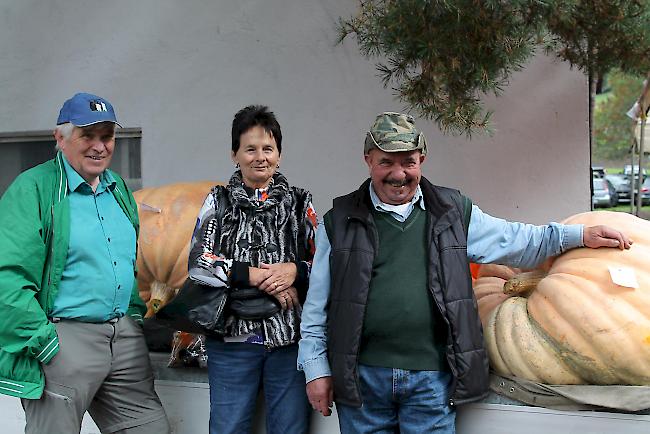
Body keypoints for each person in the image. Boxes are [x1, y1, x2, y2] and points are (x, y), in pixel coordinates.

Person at [297, 112, 632, 433]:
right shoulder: (338, 221)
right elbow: (317, 305)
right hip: (362, 378)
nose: (398, 173)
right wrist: (315, 370)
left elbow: (516, 240)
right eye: (386, 161)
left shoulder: (452, 212)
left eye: (407, 162)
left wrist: (576, 236)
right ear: (368, 159)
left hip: (432, 380)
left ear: (421, 160)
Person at [0, 93, 170, 434]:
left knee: (149, 428)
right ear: (60, 138)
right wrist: (42, 340)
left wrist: (134, 318)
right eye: (87, 135)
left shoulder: (118, 187)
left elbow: (127, 263)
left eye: (106, 136)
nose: (99, 146)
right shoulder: (33, 189)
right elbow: (8, 276)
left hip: (122, 338)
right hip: (65, 338)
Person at [188, 105, 318, 434]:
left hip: (288, 343)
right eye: (250, 149)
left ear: (279, 155)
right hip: (231, 341)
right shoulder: (217, 202)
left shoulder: (301, 203)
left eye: (268, 149)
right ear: (235, 154)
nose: (260, 157)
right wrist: (254, 275)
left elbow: (325, 266)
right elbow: (198, 263)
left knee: (290, 430)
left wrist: (294, 272)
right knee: (228, 429)